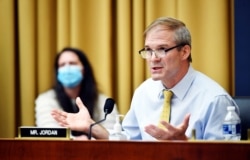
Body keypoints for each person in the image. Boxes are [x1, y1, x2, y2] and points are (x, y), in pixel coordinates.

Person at [51, 17, 239, 140]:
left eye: (162, 49)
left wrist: (186, 145)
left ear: (184, 51)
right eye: (148, 50)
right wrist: (92, 127)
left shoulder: (215, 100)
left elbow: (228, 156)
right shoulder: (144, 92)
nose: (153, 58)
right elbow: (127, 144)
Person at [35, 47, 119, 140]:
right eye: (62, 65)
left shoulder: (104, 101)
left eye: (72, 63)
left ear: (83, 69)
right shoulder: (46, 99)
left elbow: (113, 136)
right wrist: (76, 141)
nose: (67, 68)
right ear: (57, 72)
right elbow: (49, 132)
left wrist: (90, 127)